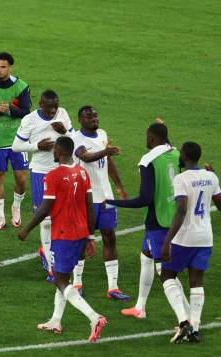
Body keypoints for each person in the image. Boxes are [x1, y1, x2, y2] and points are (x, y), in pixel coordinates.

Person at [17, 136, 107, 342]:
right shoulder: (82, 173)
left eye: (55, 150)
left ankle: (94, 317)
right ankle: (56, 320)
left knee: (59, 279)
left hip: (63, 235)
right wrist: (91, 236)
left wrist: (26, 229)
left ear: (59, 152)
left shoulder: (53, 176)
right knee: (64, 277)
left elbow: (45, 208)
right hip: (80, 233)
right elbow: (89, 206)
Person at [107, 122, 179, 319]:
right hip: (177, 218)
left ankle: (187, 318)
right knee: (145, 257)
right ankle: (140, 307)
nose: (145, 139)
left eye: (147, 136)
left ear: (152, 139)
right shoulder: (175, 153)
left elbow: (144, 199)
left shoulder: (148, 161)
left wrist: (112, 203)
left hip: (159, 221)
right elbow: (168, 145)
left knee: (166, 273)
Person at [160, 142, 221, 343]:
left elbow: (181, 210)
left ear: (185, 157)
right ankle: (194, 329)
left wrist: (167, 240)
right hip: (205, 237)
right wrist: (213, 178)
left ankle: (184, 321)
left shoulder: (181, 179)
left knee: (167, 274)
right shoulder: (211, 175)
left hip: (184, 238)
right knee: (196, 281)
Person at [11, 90, 73, 281]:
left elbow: (73, 140)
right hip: (41, 173)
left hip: (62, 171)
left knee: (62, 216)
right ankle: (50, 263)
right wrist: (37, 146)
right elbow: (16, 146)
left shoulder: (62, 114)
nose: (53, 110)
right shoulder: (29, 120)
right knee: (45, 218)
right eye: (49, 107)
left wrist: (65, 132)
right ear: (40, 104)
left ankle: (50, 250)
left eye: (55, 106)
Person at [72, 106, 131, 301]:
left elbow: (108, 162)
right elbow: (85, 157)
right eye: (89, 117)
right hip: (86, 198)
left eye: (95, 116)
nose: (94, 119)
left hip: (106, 197)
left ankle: (113, 287)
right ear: (80, 120)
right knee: (82, 240)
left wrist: (119, 186)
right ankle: (77, 283)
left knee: (110, 237)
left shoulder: (103, 134)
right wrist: (105, 151)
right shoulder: (76, 139)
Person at [0, 52, 31, 231]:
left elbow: (27, 111)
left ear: (10, 67)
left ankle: (16, 207)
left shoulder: (21, 86)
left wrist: (11, 109)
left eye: (2, 66)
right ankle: (0, 218)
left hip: (18, 141)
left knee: (21, 178)